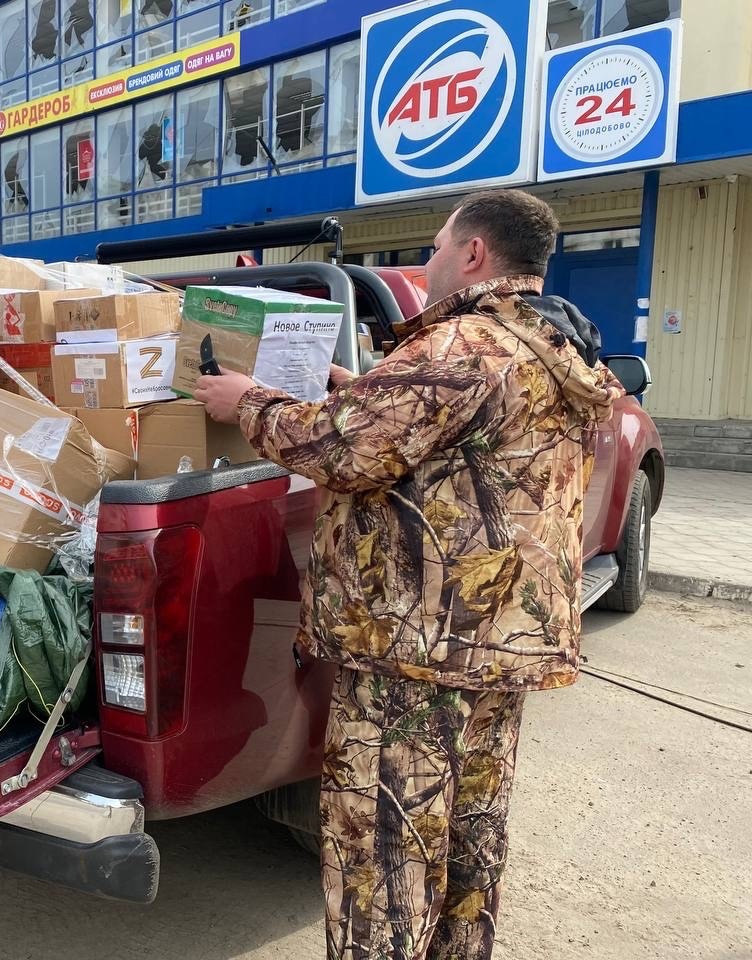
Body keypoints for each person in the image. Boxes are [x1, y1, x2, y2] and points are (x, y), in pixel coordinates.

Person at [194, 189, 624, 960]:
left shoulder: (460, 347)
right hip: (499, 646)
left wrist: (247, 400)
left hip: (417, 654)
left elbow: (344, 454)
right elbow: (445, 447)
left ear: (475, 255)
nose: (424, 264)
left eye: (434, 248)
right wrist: (353, 392)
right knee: (468, 842)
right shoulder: (550, 347)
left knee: (382, 857)